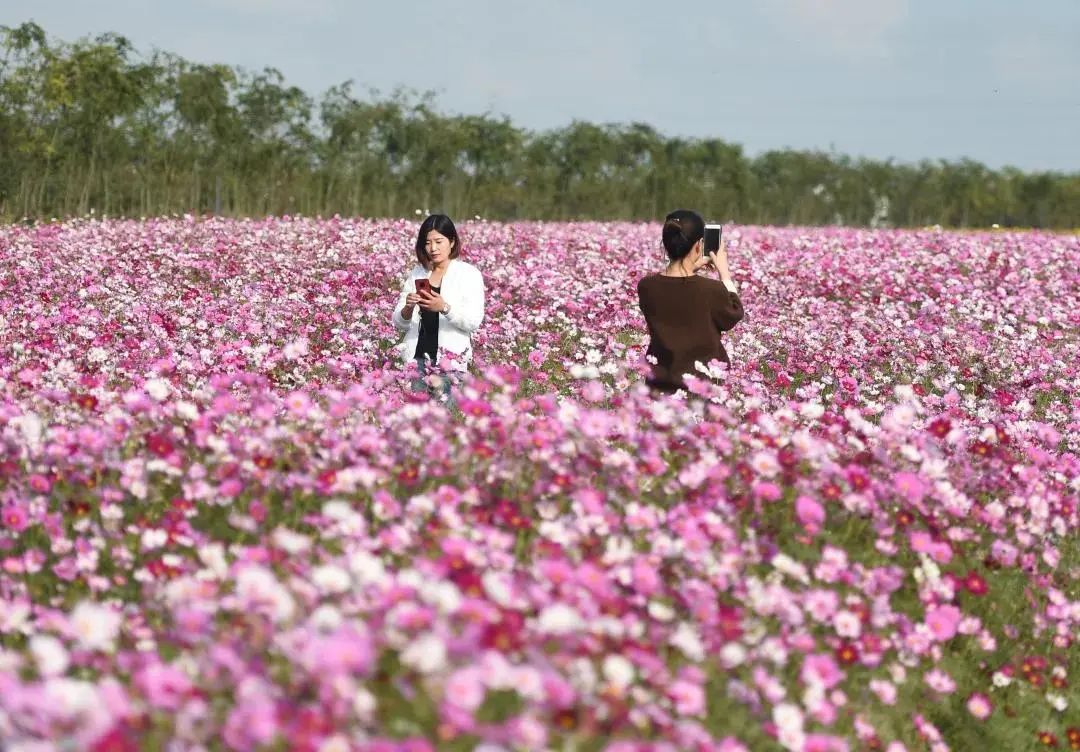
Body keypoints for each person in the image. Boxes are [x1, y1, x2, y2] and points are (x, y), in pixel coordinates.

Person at [636, 209, 744, 395]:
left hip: (659, 391)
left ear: (666, 243)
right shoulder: (711, 290)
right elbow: (734, 313)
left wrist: (692, 265)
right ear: (699, 245)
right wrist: (724, 272)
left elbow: (675, 287)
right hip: (701, 393)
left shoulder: (646, 287)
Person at [392, 214, 485, 399]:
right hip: (416, 360)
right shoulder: (418, 273)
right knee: (416, 422)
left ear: (451, 242)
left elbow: (473, 321)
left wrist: (444, 308)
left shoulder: (468, 274)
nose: (433, 248)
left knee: (445, 422)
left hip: (449, 363)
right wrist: (408, 308)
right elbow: (399, 323)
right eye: (427, 243)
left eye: (438, 241)